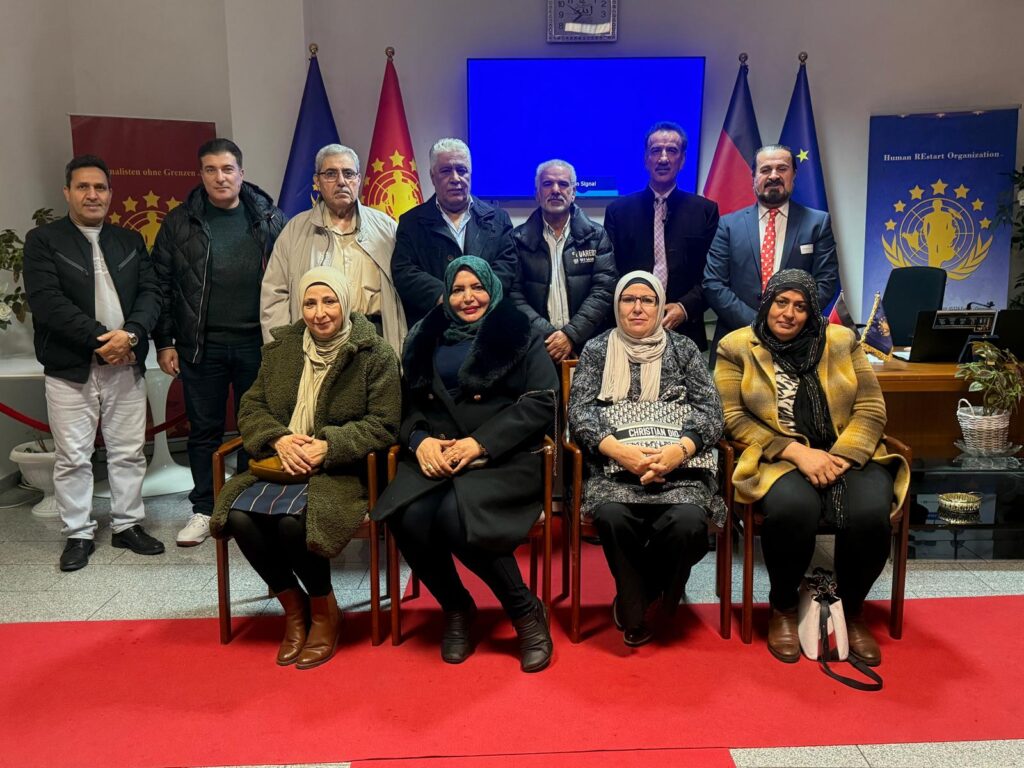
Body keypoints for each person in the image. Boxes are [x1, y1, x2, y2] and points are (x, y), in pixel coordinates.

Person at [714, 268, 909, 666]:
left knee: (870, 514)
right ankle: (784, 607)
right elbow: (732, 418)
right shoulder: (736, 347)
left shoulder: (841, 341)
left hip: (847, 453)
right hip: (777, 457)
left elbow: (871, 408)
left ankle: (851, 611)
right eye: (781, 302)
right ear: (767, 304)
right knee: (793, 509)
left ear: (812, 313)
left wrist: (842, 456)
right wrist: (795, 452)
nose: (789, 313)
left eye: (801, 307)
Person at [372, 256, 558, 673]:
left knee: (455, 517)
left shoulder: (520, 331)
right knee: (407, 515)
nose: (468, 297)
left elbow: (542, 402)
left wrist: (480, 443)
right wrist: (418, 441)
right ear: (446, 294)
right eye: (457, 289)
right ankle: (457, 607)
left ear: (492, 289)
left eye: (477, 287)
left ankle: (525, 611)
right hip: (439, 455)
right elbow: (408, 407)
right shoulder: (423, 336)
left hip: (504, 457)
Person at [210, 267, 400, 669]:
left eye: (329, 301)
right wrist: (278, 438)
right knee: (239, 517)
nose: (319, 312)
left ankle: (324, 612)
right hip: (281, 462)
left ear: (345, 302)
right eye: (310, 303)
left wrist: (329, 446)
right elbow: (251, 407)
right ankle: (295, 610)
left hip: (342, 470)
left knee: (291, 523)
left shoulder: (374, 353)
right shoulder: (282, 349)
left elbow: (384, 424)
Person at [567, 271, 725, 646]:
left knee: (689, 523)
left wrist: (677, 451)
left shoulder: (684, 349)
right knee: (611, 515)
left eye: (647, 300)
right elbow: (580, 411)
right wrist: (620, 451)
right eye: (628, 299)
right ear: (617, 305)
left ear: (659, 306)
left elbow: (712, 412)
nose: (637, 308)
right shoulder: (597, 350)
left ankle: (640, 596)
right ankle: (642, 607)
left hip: (680, 471)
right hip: (614, 471)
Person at [23, 154, 164, 571]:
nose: (92, 195)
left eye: (100, 187)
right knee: (72, 457)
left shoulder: (129, 241)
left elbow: (151, 293)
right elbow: (48, 302)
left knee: (128, 452)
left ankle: (127, 525)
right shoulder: (43, 240)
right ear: (67, 192)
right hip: (71, 368)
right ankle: (79, 534)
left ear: (110, 194)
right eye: (83, 187)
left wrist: (131, 334)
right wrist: (103, 341)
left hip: (125, 363)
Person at [151, 138, 286, 547]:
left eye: (227, 169)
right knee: (204, 431)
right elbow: (161, 286)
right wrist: (165, 341)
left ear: (241, 173)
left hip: (258, 345)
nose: (220, 177)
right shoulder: (180, 223)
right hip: (201, 346)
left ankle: (246, 504)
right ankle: (205, 508)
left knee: (255, 428)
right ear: (201, 175)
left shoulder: (270, 218)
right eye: (210, 170)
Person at [261, 143, 407, 355]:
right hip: (317, 341)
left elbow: (405, 286)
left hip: (376, 338)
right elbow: (275, 296)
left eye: (348, 173)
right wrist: (283, 353)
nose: (341, 181)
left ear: (358, 179)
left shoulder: (386, 228)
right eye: (331, 174)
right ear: (317, 181)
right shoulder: (294, 231)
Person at [703, 144, 839, 362]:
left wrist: (788, 319)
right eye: (765, 170)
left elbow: (826, 282)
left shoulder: (817, 223)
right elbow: (713, 284)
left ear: (794, 175)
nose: (774, 176)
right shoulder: (728, 225)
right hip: (737, 340)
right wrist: (760, 324)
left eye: (782, 169)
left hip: (798, 343)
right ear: (754, 178)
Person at [604, 121, 720, 352]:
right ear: (646, 158)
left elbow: (713, 274)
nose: (663, 158)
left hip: (686, 328)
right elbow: (609, 274)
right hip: (630, 328)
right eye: (656, 150)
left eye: (672, 151)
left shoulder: (705, 211)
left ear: (683, 159)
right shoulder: (618, 211)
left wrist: (684, 307)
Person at [390, 138, 517, 325]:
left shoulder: (499, 219)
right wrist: (447, 296)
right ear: (433, 176)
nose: (456, 178)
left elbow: (508, 265)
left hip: (489, 324)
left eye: (462, 170)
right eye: (446, 171)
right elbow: (404, 271)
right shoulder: (411, 223)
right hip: (435, 325)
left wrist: (478, 295)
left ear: (470, 174)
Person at [511, 159, 617, 365]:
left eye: (563, 184)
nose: (555, 190)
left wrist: (570, 335)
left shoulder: (596, 236)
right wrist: (551, 337)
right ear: (537, 193)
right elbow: (514, 296)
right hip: (538, 347)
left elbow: (604, 290)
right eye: (547, 184)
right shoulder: (518, 240)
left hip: (588, 347)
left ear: (574, 192)